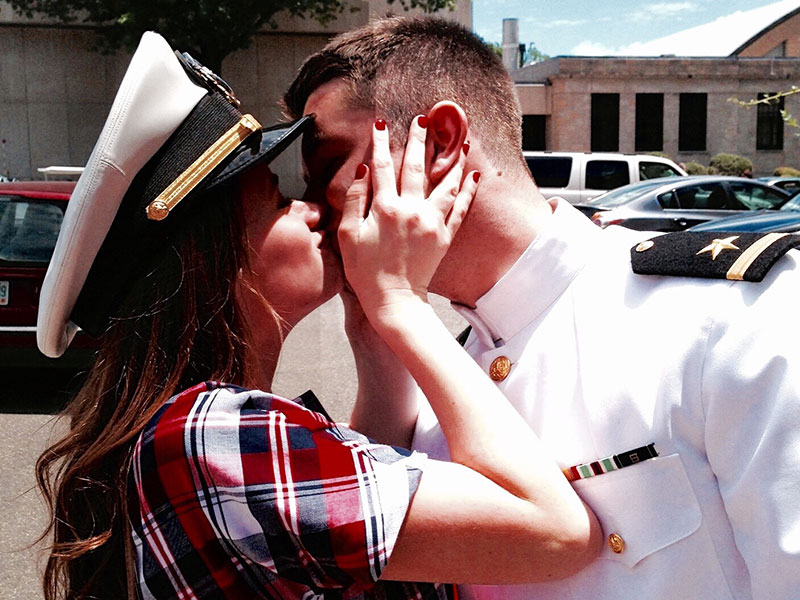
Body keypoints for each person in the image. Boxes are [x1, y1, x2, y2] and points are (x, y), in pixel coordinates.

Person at [34, 32, 601, 600]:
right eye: (279, 201)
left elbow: (387, 513)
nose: (314, 209)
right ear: (214, 262)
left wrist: (372, 325)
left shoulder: (200, 433)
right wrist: (399, 302)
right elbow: (555, 533)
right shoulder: (207, 437)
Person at [284, 14, 800, 600]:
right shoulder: (439, 376)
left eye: (329, 170)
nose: (316, 211)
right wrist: (379, 318)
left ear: (443, 143)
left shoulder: (730, 314)